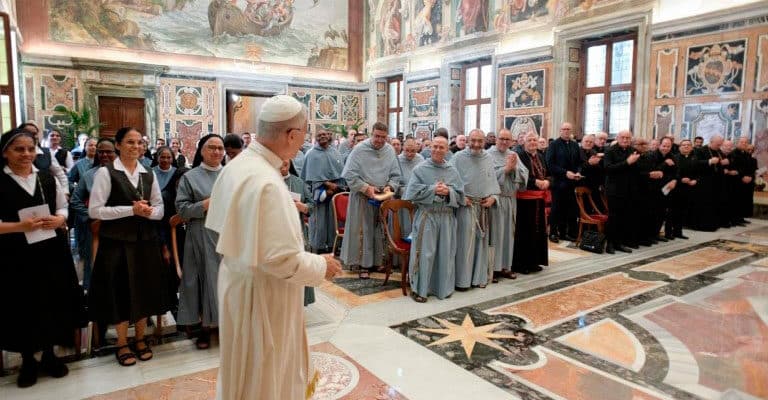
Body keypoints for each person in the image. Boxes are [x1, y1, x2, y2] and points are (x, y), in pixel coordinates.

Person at [205, 95, 342, 400]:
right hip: (264, 298)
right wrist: (323, 265)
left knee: (244, 371)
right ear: (291, 135)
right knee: (266, 377)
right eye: (302, 135)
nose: (301, 142)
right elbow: (279, 260)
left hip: (238, 282)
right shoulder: (266, 180)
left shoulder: (239, 165)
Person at [0, 129, 84, 388]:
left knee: (51, 300)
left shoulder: (46, 177)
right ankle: (28, 359)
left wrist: (60, 218)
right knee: (23, 305)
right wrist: (19, 227)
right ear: (5, 153)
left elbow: (63, 205)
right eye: (19, 149)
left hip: (50, 251)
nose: (26, 154)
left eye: (30, 149)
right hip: (14, 255)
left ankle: (49, 354)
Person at [88, 127, 172, 367]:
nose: (136, 147)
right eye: (130, 142)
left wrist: (148, 213)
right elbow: (95, 210)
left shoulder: (148, 174)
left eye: (139, 143)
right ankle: (122, 342)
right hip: (117, 244)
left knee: (145, 290)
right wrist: (130, 210)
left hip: (145, 242)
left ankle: (141, 338)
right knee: (121, 292)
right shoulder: (107, 173)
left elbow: (159, 209)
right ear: (118, 145)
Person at [176, 134, 225, 350]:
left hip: (229, 235)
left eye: (220, 148)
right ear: (201, 151)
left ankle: (227, 327)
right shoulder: (190, 177)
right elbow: (182, 210)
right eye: (211, 147)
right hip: (201, 235)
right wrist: (205, 204)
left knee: (228, 282)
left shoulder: (230, 174)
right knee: (205, 280)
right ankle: (204, 329)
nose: (216, 152)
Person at [404, 136, 464, 302]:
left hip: (446, 217)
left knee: (445, 254)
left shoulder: (452, 170)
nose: (438, 150)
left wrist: (448, 192)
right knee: (425, 254)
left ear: (447, 150)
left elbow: (461, 196)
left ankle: (442, 288)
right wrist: (433, 190)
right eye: (435, 146)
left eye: (441, 147)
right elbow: (412, 194)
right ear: (430, 148)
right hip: (427, 216)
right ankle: (420, 289)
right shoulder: (420, 169)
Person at [340, 122, 401, 279]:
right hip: (362, 197)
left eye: (383, 137)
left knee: (378, 231)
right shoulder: (359, 149)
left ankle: (376, 261)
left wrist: (390, 186)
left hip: (382, 198)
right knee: (363, 230)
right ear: (371, 134)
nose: (379, 140)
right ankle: (362, 264)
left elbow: (396, 175)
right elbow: (349, 175)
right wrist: (366, 188)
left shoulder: (389, 150)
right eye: (376, 136)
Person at [450, 129, 500, 289]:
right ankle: (462, 281)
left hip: (483, 208)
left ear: (484, 141)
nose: (476, 144)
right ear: (468, 140)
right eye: (473, 140)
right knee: (465, 245)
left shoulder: (488, 158)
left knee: (481, 244)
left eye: (480, 141)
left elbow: (493, 183)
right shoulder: (457, 158)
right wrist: (460, 198)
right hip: (466, 207)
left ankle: (478, 278)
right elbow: (449, 181)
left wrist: (493, 198)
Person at [71, 138, 118, 289]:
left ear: (116, 152)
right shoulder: (89, 175)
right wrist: (91, 215)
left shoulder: (126, 174)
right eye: (101, 151)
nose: (104, 155)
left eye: (108, 151)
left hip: (120, 227)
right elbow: (75, 201)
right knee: (93, 265)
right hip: (95, 228)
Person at [488, 129, 528, 281]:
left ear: (512, 142)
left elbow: (525, 174)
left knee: (508, 235)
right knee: (495, 234)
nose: (504, 142)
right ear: (496, 139)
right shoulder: (488, 155)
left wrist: (514, 169)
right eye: (501, 138)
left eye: (507, 139)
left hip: (510, 200)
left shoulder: (514, 155)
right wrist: (505, 170)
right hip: (496, 200)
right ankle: (492, 268)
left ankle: (505, 266)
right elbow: (487, 176)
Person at [301, 128, 347, 253]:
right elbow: (309, 177)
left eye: (325, 134)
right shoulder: (311, 154)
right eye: (320, 135)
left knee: (333, 220)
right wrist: (326, 184)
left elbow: (341, 173)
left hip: (334, 193)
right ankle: (318, 246)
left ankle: (333, 245)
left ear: (329, 136)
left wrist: (335, 186)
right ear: (316, 137)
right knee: (318, 221)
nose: (323, 136)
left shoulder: (335, 152)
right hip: (318, 193)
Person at [281, 159, 316, 306]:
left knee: (300, 266)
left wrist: (303, 207)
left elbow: (312, 205)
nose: (283, 165)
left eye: (286, 163)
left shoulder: (298, 182)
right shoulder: (269, 181)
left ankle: (301, 301)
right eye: (280, 163)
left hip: (298, 231)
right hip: (278, 233)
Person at [513, 132, 549, 274]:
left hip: (539, 200)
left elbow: (549, 173)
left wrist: (548, 181)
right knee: (524, 232)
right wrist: (536, 182)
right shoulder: (520, 156)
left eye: (535, 140)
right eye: (530, 140)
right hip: (524, 201)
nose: (533, 142)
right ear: (524, 142)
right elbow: (519, 177)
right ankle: (521, 264)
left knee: (538, 232)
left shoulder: (540, 156)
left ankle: (534, 262)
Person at [604, 130, 640, 254]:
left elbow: (635, 171)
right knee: (613, 217)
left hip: (628, 190)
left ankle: (619, 243)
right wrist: (627, 162)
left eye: (628, 138)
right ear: (618, 138)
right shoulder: (610, 151)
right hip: (614, 190)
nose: (625, 140)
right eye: (623, 137)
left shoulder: (632, 151)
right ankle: (609, 244)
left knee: (624, 217)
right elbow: (608, 169)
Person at [546, 122, 581, 242]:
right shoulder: (554, 145)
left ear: (571, 131)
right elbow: (550, 164)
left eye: (568, 129)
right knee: (556, 209)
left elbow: (579, 162)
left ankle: (563, 233)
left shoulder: (575, 145)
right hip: (559, 183)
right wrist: (565, 173)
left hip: (571, 183)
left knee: (568, 209)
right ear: (560, 131)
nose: (566, 131)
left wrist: (578, 172)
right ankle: (553, 233)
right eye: (564, 129)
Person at [18, 122, 69, 194]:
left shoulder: (47, 153)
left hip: (45, 193)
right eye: (28, 133)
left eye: (35, 133)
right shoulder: (14, 154)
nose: (32, 136)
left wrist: (65, 191)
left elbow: (59, 173)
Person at [692, 135, 728, 231]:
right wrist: (709, 161)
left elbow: (724, 161)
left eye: (720, 144)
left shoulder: (718, 151)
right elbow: (695, 164)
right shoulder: (700, 150)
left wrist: (726, 162)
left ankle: (713, 224)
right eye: (717, 144)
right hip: (704, 183)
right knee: (704, 205)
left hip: (716, 183)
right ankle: (702, 225)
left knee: (714, 204)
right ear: (711, 141)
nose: (719, 146)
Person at [397, 137, 425, 238]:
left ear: (417, 149)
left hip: (416, 201)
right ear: (403, 149)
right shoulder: (397, 160)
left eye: (413, 151)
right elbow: (393, 180)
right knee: (400, 230)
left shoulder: (421, 159)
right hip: (401, 200)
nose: (409, 154)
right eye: (407, 151)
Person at [672, 139, 697, 239]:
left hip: (689, 188)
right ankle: (670, 232)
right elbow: (673, 173)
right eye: (684, 145)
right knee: (674, 211)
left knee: (683, 211)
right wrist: (681, 179)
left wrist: (695, 180)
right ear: (680, 147)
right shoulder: (675, 158)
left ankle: (679, 232)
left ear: (691, 147)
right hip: (677, 188)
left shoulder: (694, 158)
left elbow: (698, 172)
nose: (686, 147)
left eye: (688, 145)